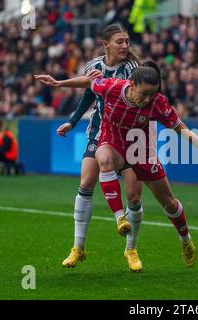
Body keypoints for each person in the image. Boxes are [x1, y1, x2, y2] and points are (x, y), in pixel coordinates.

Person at [34, 63, 198, 268]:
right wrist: (59, 83)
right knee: (103, 158)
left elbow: (183, 131)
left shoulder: (158, 103)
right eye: (144, 93)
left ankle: (186, 240)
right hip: (112, 144)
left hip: (141, 151)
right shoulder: (112, 87)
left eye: (152, 94)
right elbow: (90, 81)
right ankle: (120, 218)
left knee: (168, 203)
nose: (147, 99)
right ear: (131, 84)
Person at [55, 24, 145, 272]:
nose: (125, 46)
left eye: (127, 41)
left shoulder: (132, 69)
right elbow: (89, 94)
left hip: (130, 135)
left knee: (134, 196)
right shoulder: (94, 66)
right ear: (105, 44)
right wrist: (72, 122)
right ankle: (78, 248)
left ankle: (131, 249)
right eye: (119, 41)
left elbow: (124, 94)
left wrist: (60, 83)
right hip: (100, 131)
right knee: (85, 183)